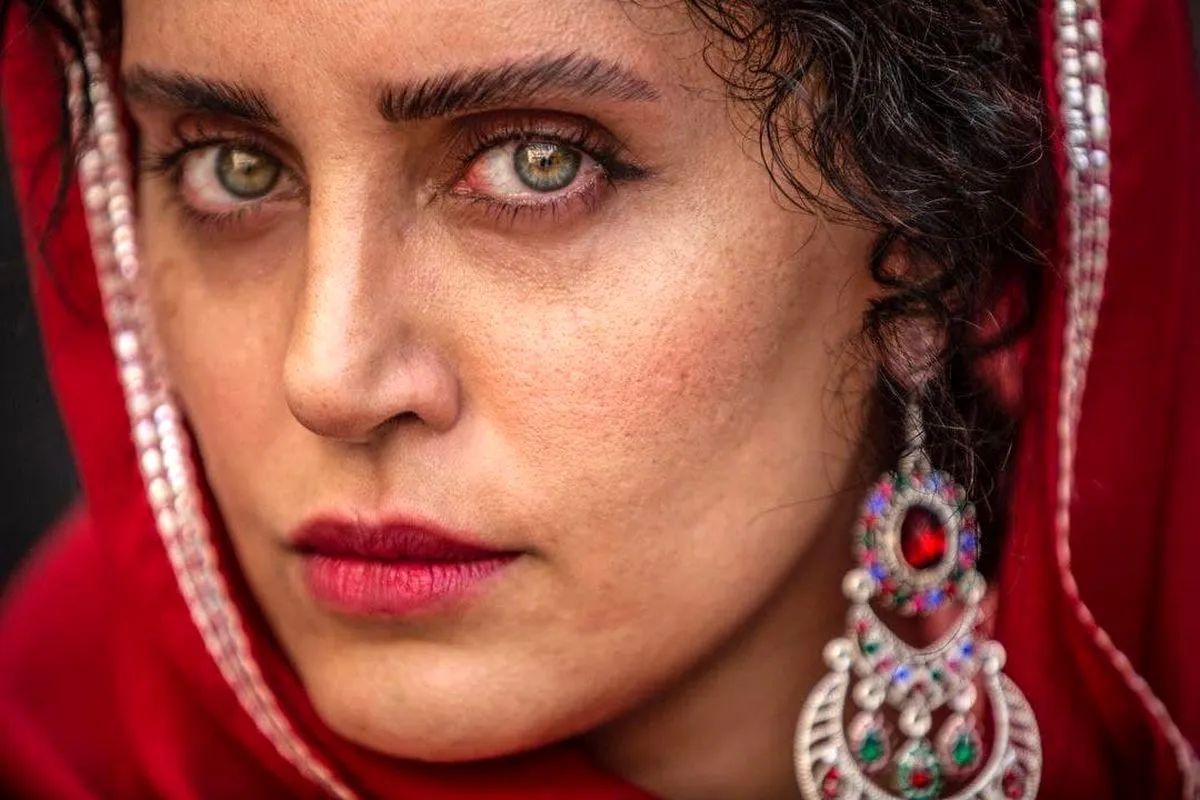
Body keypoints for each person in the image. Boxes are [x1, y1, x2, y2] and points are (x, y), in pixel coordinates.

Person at [0, 0, 1196, 797]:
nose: (330, 376)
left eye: (540, 160)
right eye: (232, 167)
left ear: (930, 232)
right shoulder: (53, 741)